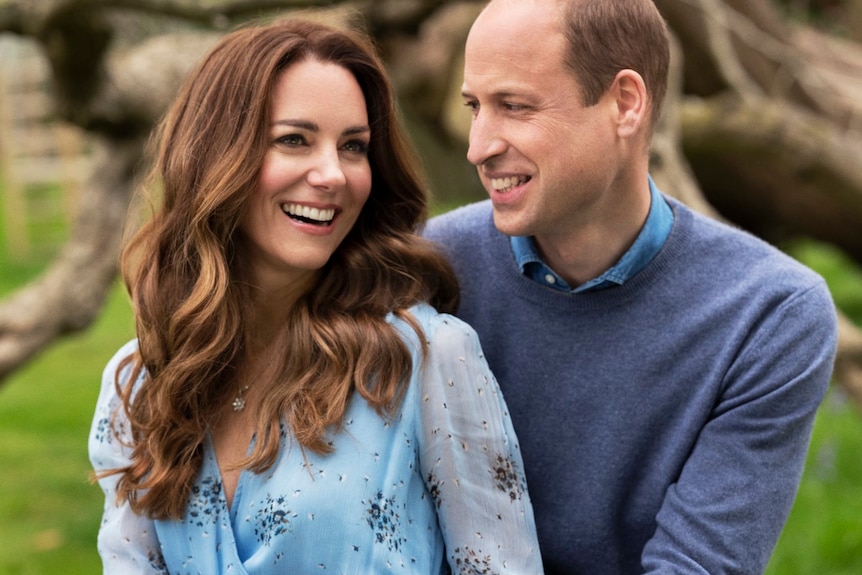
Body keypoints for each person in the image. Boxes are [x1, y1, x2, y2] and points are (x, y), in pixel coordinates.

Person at [89, 17, 543, 574]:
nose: (333, 174)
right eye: (294, 140)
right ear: (215, 157)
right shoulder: (142, 384)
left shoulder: (427, 360)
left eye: (354, 147)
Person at [424, 0, 839, 573]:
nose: (478, 147)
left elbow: (697, 564)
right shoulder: (429, 267)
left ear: (625, 103)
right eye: (475, 107)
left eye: (514, 107)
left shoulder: (768, 314)